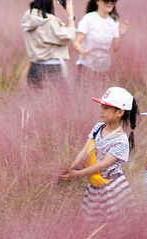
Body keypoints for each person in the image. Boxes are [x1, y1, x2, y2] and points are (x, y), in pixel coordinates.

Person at [59, 87, 138, 222]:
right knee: (92, 222)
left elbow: (102, 165)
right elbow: (85, 151)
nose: (102, 110)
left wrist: (77, 174)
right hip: (95, 185)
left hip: (112, 186)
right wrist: (72, 167)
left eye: (106, 108)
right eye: (102, 106)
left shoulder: (121, 140)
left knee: (115, 222)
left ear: (119, 112)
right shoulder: (98, 128)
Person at [21, 0, 76, 88]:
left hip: (34, 67)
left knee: (35, 101)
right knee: (57, 102)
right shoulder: (50, 21)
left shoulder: (29, 16)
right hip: (52, 68)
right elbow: (69, 37)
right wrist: (71, 15)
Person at [73, 0, 128, 74]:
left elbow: (115, 48)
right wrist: (82, 51)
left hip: (104, 69)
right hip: (86, 67)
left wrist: (122, 34)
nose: (110, 3)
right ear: (97, 1)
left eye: (112, 0)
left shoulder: (114, 22)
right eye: (106, 0)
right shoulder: (88, 18)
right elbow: (76, 43)